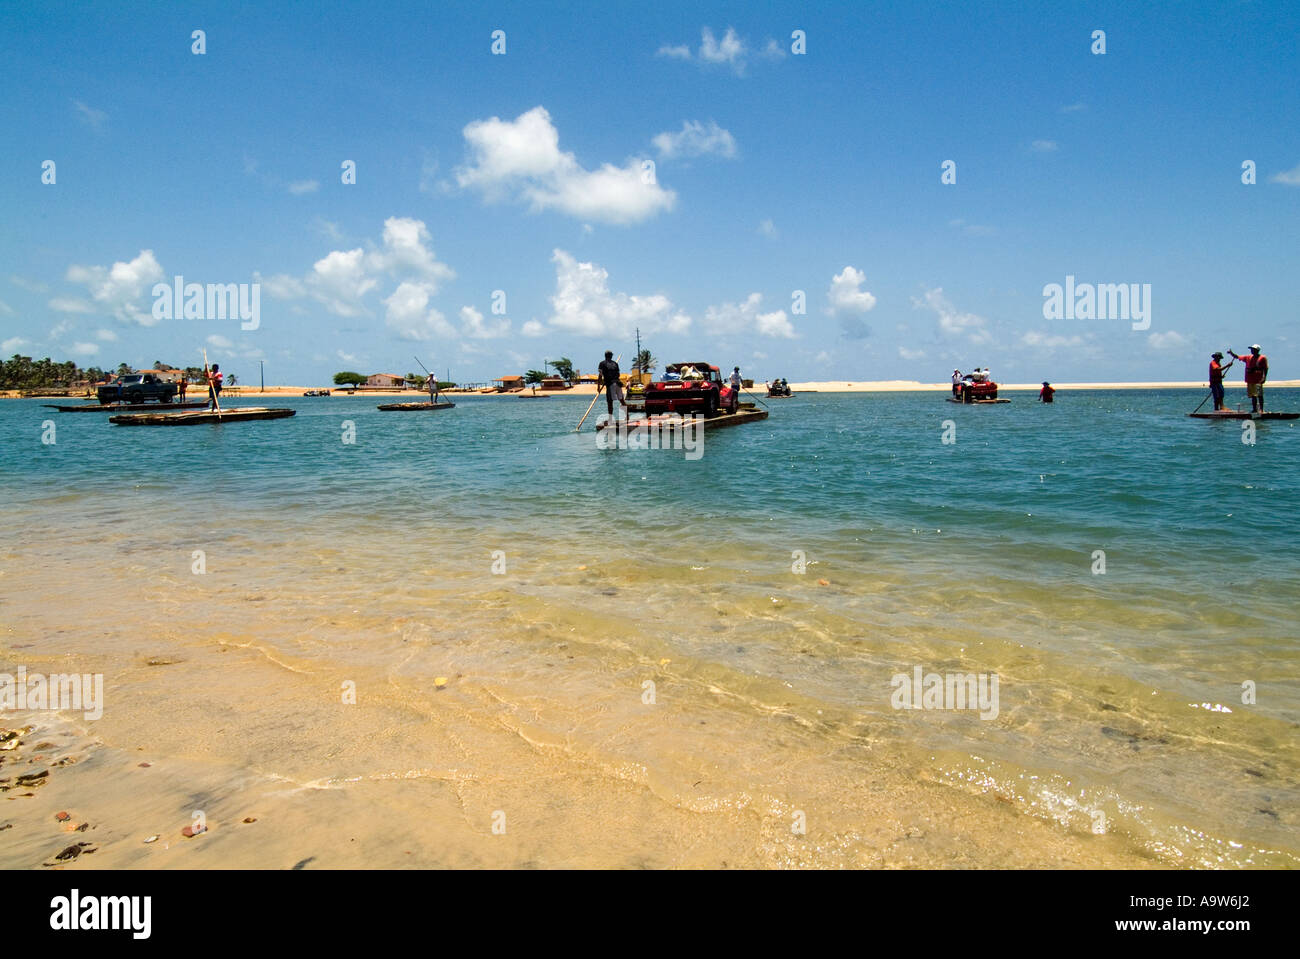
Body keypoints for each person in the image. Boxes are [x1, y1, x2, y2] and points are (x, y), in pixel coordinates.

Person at [1228, 345, 1268, 413]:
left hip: (1258, 380)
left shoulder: (1262, 358)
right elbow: (1237, 357)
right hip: (1250, 379)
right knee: (1253, 396)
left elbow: (1266, 368)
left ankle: (1261, 409)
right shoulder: (1248, 357)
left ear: (1257, 350)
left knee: (1259, 395)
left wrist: (1264, 377)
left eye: (1253, 349)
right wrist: (1231, 353)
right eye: (1251, 349)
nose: (1252, 350)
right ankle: (1254, 409)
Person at [598, 350, 625, 421]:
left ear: (605, 356)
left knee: (610, 402)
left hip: (610, 384)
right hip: (618, 383)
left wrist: (598, 386)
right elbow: (618, 374)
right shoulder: (615, 364)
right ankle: (627, 417)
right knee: (622, 401)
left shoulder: (602, 363)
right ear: (611, 356)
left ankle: (610, 419)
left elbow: (600, 376)